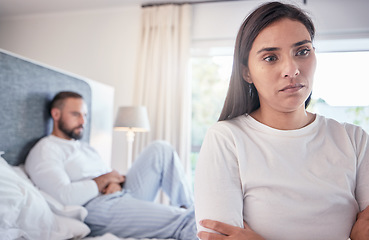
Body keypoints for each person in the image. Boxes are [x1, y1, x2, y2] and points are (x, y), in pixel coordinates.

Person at [194, 2, 369, 240]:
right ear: (247, 72)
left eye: (302, 51)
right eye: (270, 57)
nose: (291, 69)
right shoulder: (227, 138)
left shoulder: (354, 139)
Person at [25, 91, 197, 239]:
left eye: (85, 115)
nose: (83, 121)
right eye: (76, 114)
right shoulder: (46, 150)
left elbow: (109, 174)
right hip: (95, 208)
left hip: (119, 194)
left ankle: (187, 205)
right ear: (56, 114)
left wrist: (113, 182)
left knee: (161, 149)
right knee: (184, 221)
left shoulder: (85, 147)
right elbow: (64, 196)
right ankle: (197, 223)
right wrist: (106, 179)